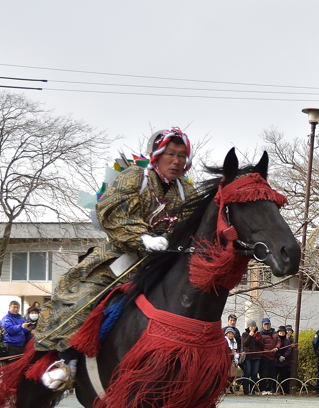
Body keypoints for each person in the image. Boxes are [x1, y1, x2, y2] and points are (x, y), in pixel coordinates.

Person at [31, 128, 196, 390]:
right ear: (157, 155)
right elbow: (112, 212)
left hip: (164, 261)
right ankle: (67, 361)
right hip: (122, 256)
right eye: (171, 154)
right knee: (83, 297)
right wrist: (142, 237)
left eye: (182, 156)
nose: (177, 161)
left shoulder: (186, 189)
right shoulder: (134, 177)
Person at [240, 324, 263, 395]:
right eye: (251, 326)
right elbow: (245, 344)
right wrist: (250, 336)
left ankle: (253, 390)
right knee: (247, 373)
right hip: (248, 357)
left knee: (254, 374)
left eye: (254, 326)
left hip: (257, 357)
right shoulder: (244, 334)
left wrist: (257, 339)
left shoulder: (258, 334)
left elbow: (262, 346)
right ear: (248, 327)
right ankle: (246, 391)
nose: (253, 328)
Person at [258, 318, 279, 394]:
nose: (267, 326)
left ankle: (272, 390)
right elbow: (260, 345)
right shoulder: (260, 334)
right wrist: (267, 350)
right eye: (265, 324)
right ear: (263, 325)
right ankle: (262, 389)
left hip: (273, 356)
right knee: (264, 374)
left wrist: (276, 348)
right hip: (264, 356)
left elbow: (278, 341)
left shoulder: (274, 333)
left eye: (268, 324)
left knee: (272, 374)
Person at [274, 326, 294, 395]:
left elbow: (289, 349)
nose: (282, 333)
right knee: (275, 376)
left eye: (283, 332)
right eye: (280, 332)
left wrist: (284, 356)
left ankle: (283, 390)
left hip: (285, 361)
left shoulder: (287, 340)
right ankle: (274, 390)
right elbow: (274, 349)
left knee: (284, 377)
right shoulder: (276, 340)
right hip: (276, 361)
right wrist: (278, 356)